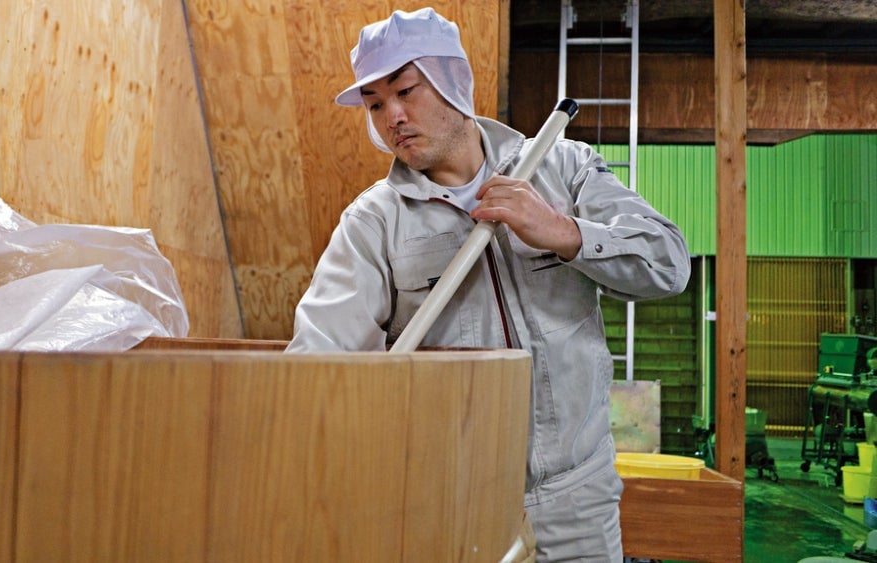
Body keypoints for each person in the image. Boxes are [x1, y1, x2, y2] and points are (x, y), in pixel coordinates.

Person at [286, 7, 691, 562]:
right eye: (376, 104)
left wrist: (559, 230)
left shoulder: (563, 167)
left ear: (453, 81)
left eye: (406, 90)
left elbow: (668, 263)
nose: (392, 117)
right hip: (450, 498)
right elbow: (317, 365)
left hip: (578, 495)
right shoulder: (373, 222)